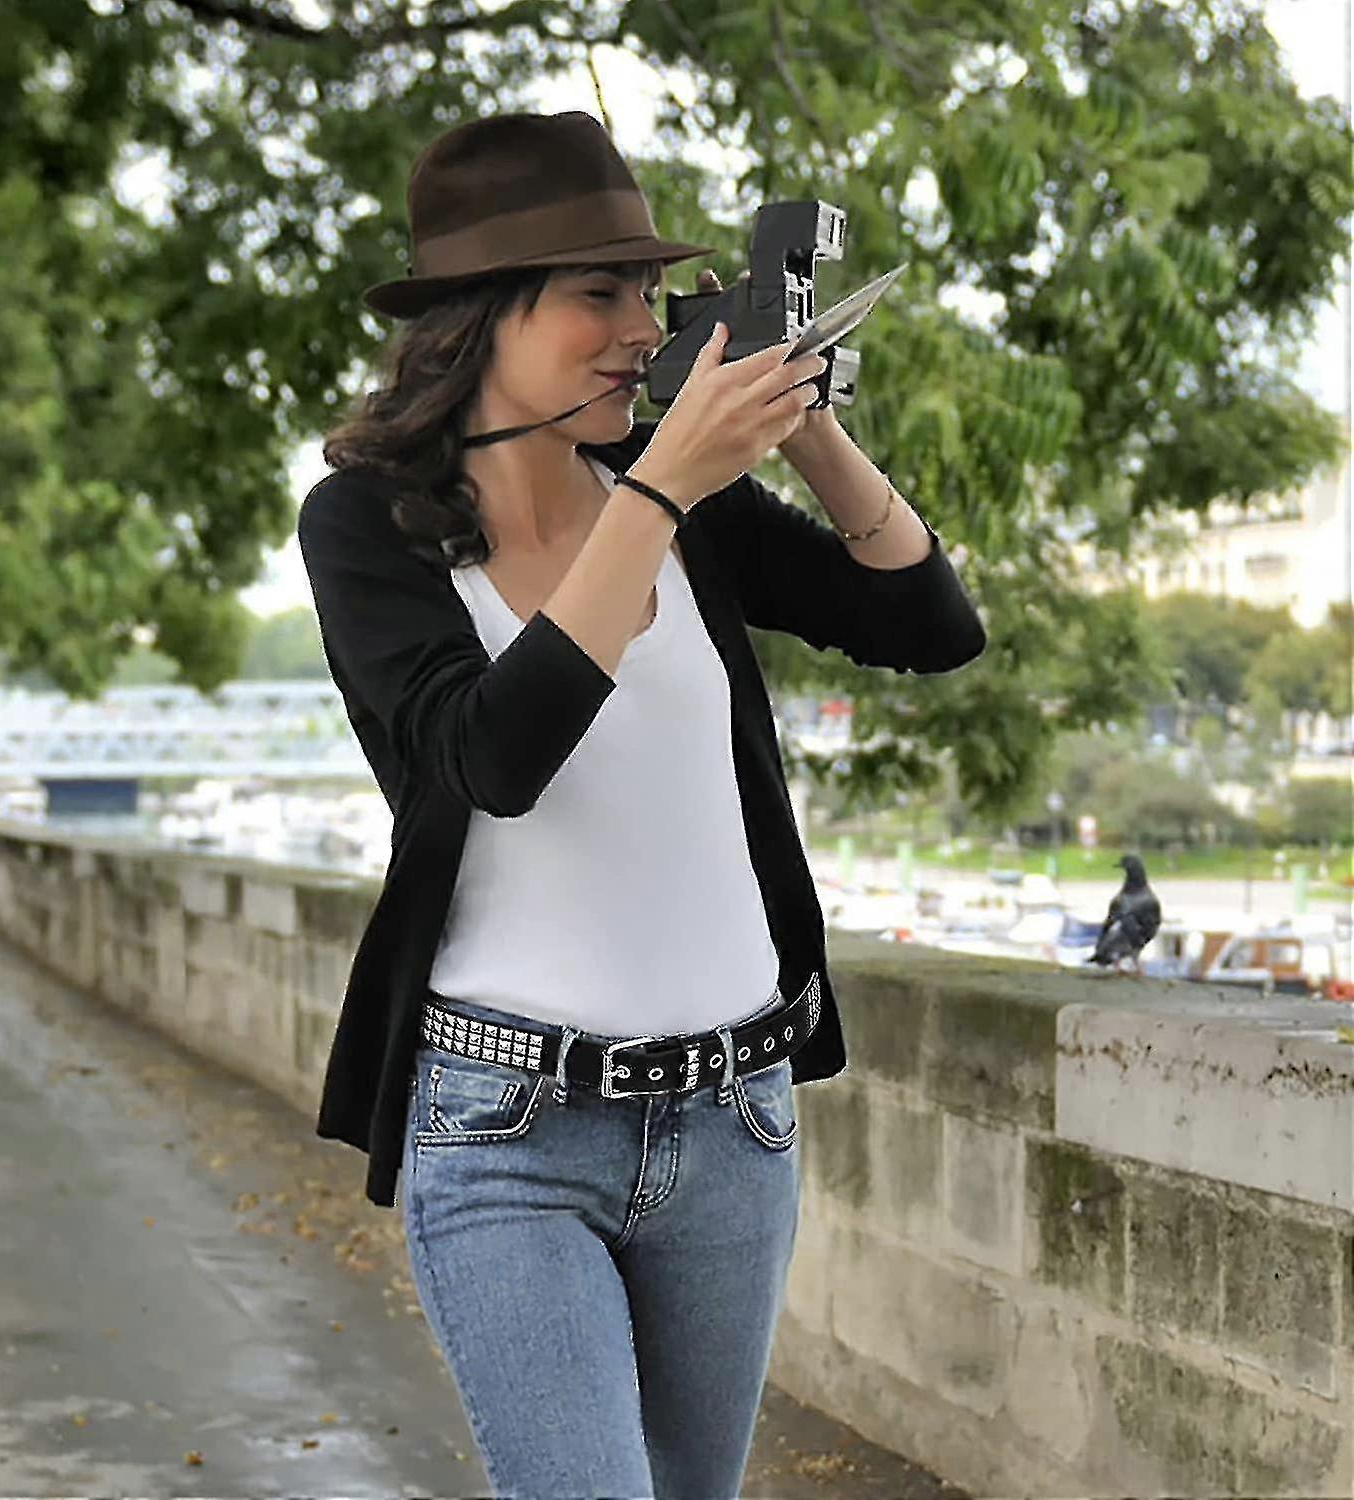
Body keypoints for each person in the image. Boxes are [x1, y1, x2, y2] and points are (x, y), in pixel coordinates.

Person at [298, 110, 986, 1500]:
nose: (639, 329)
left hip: (735, 1121)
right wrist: (666, 482)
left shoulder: (679, 505)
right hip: (507, 1127)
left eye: (649, 294)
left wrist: (807, 427)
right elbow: (495, 757)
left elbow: (930, 626)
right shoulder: (368, 526)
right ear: (479, 318)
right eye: (597, 293)